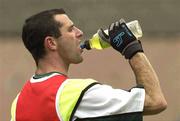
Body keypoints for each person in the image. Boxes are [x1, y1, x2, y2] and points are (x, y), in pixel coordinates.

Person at [11, 8, 167, 121]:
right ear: (51, 43)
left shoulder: (18, 102)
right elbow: (155, 101)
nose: (80, 33)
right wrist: (131, 48)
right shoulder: (75, 93)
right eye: (71, 29)